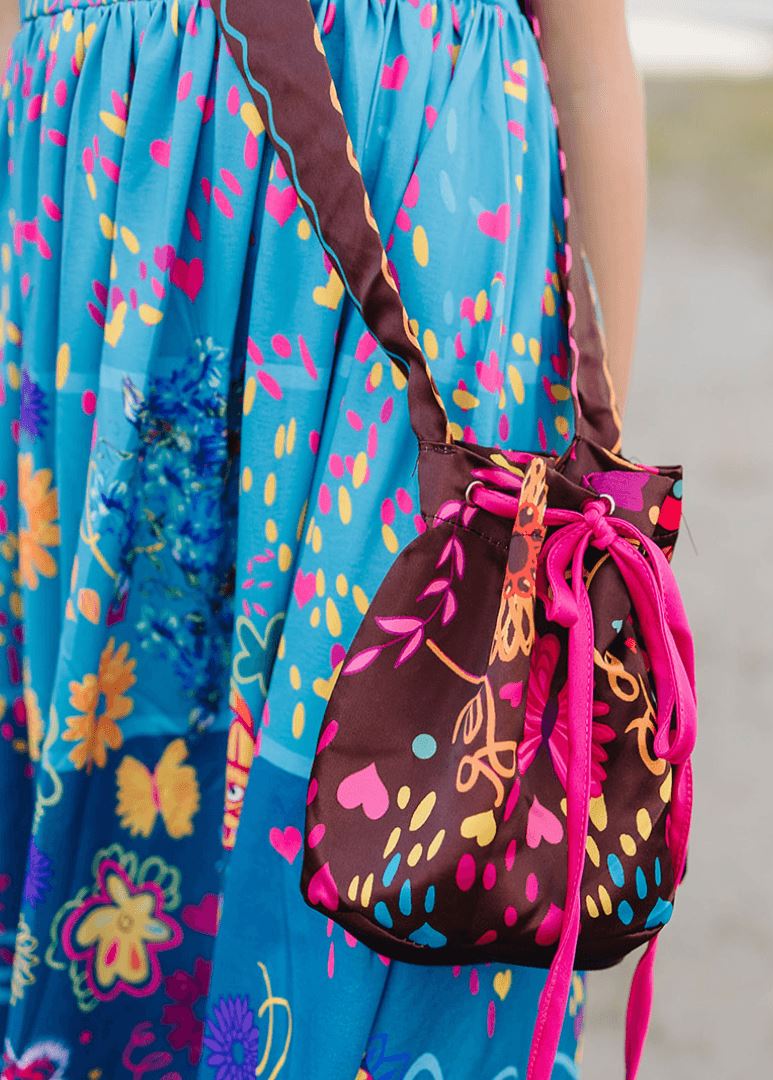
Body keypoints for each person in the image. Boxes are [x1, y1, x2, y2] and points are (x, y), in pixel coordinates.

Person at [0, 0, 645, 1076]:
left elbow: (587, 36)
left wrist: (599, 490)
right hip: (90, 211)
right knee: (99, 728)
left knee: (399, 764)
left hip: (414, 207)